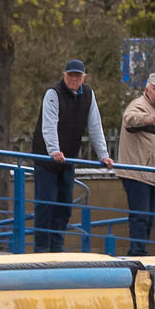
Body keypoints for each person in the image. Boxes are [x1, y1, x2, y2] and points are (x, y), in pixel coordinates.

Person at [35, 57, 109, 253]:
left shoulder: (88, 95)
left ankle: (56, 246)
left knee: (65, 205)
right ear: (64, 75)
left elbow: (95, 126)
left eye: (78, 76)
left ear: (84, 77)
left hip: (68, 159)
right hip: (46, 159)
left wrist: (103, 154)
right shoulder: (53, 93)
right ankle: (41, 248)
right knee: (46, 203)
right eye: (71, 75)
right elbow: (49, 124)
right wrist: (53, 150)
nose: (74, 79)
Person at [113, 71, 155, 256]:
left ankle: (139, 251)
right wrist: (148, 119)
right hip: (137, 173)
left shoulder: (154, 110)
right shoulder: (139, 105)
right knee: (141, 216)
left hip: (151, 175)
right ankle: (137, 254)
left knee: (148, 217)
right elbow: (129, 119)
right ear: (147, 89)